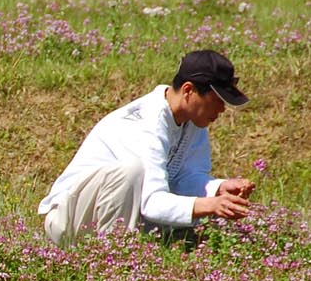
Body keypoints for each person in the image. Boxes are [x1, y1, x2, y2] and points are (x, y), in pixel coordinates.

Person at [38, 50, 256, 248]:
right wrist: (210, 204)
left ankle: (123, 253)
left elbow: (185, 178)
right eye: (216, 100)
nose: (222, 109)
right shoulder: (146, 122)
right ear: (189, 90)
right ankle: (111, 261)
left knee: (207, 230)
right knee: (131, 170)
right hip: (68, 221)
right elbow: (151, 202)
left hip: (111, 215)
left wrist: (219, 189)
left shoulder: (194, 121)